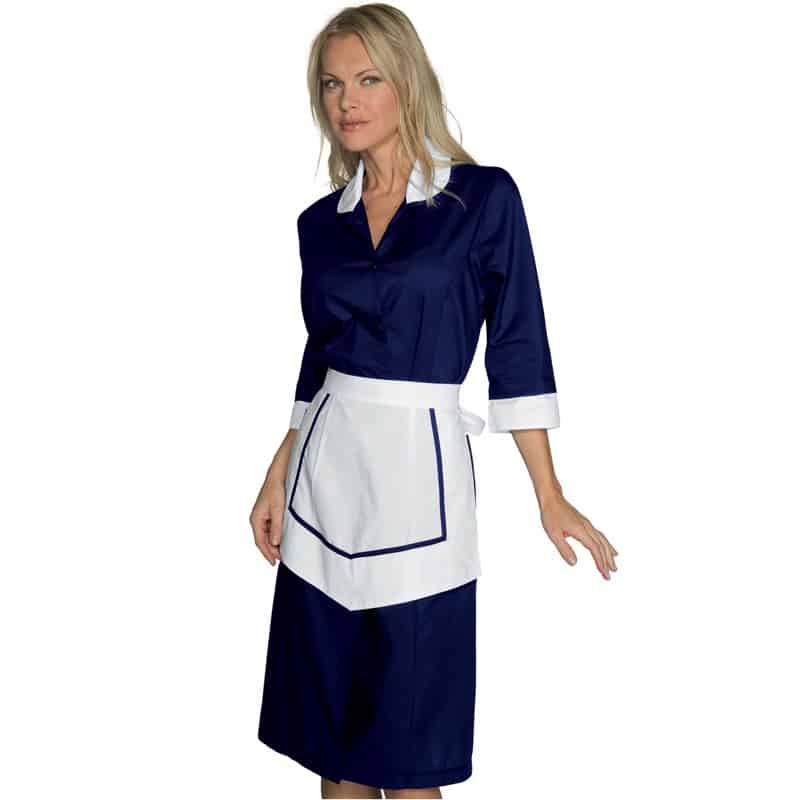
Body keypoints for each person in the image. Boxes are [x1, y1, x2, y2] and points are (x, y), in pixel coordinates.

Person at [250, 4, 619, 798]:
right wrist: (277, 472)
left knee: (412, 754)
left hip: (422, 486)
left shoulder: (481, 200)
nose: (347, 101)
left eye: (367, 79)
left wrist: (548, 493)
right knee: (336, 751)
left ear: (407, 81)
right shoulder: (320, 225)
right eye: (332, 84)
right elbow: (321, 356)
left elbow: (518, 345)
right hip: (323, 492)